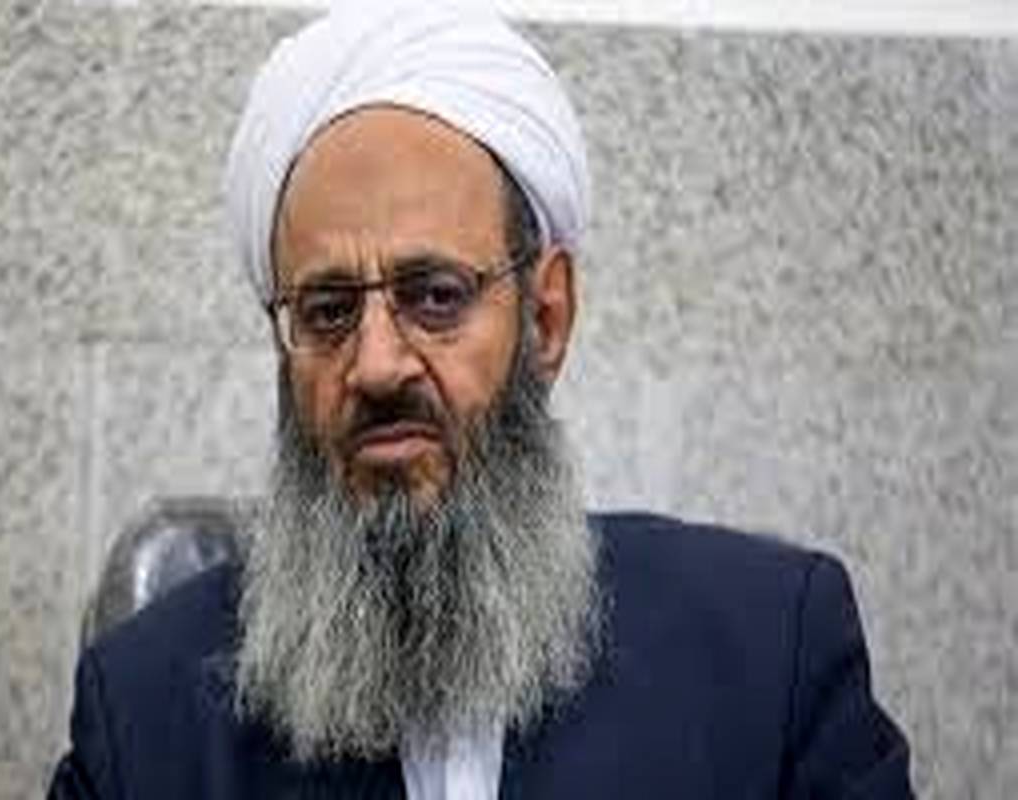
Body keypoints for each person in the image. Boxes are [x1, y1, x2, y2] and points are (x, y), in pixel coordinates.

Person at [48, 1, 913, 797]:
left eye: (436, 296)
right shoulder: (140, 717)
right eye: (328, 310)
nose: (376, 365)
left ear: (546, 317)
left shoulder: (770, 659)